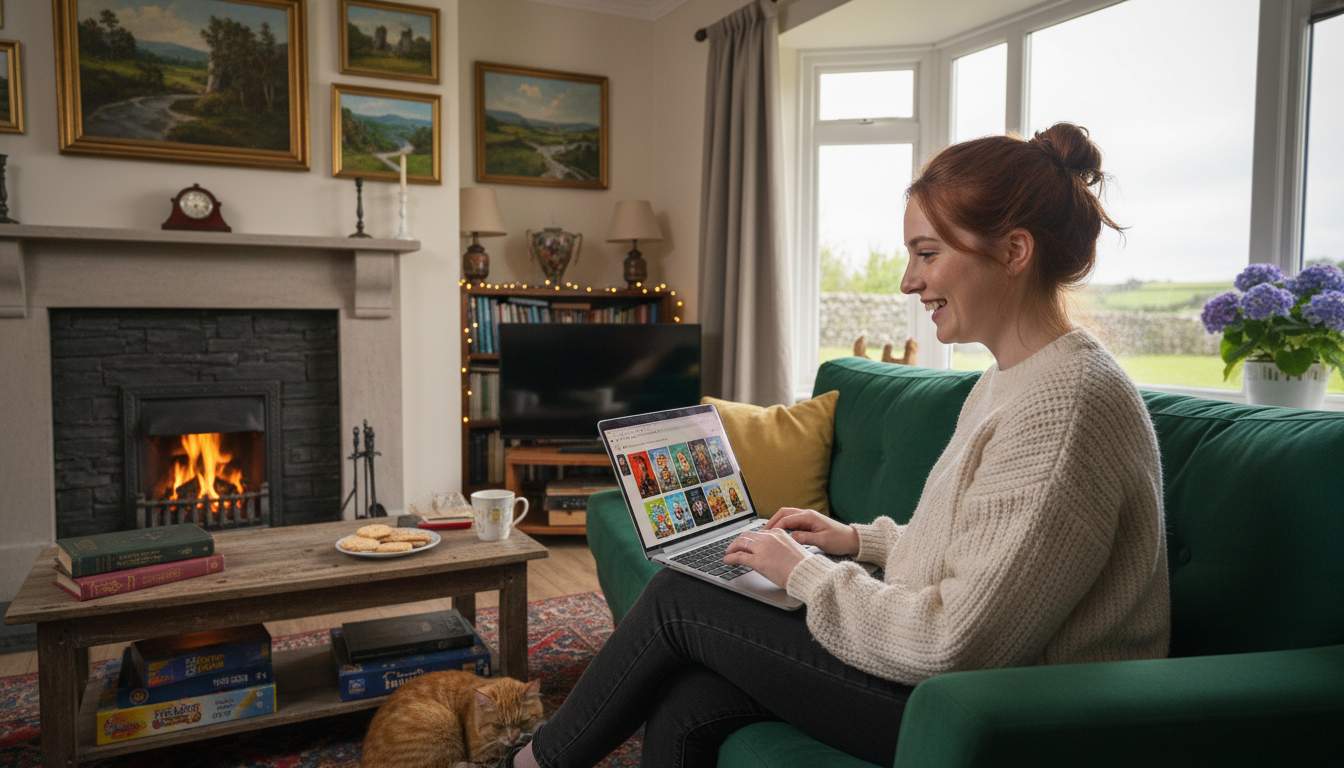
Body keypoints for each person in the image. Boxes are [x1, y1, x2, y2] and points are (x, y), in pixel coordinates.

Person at [505, 123, 1170, 768]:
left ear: (1014, 252)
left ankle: (534, 763)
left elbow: (953, 641)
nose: (909, 282)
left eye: (928, 253)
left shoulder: (1066, 406)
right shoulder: (1011, 379)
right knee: (691, 696)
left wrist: (802, 572)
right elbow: (976, 557)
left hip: (1009, 719)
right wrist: (855, 540)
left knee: (686, 599)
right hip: (964, 688)